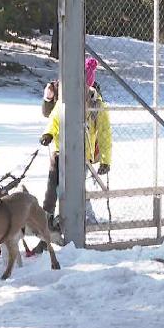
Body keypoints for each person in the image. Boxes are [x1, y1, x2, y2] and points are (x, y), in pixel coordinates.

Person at [39, 57, 111, 232]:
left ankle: (86, 218)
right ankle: (48, 220)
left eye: (84, 87)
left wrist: (105, 159)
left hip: (82, 155)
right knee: (54, 188)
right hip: (60, 152)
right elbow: (54, 118)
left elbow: (104, 133)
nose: (80, 91)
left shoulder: (97, 105)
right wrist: (48, 134)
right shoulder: (65, 99)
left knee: (77, 188)